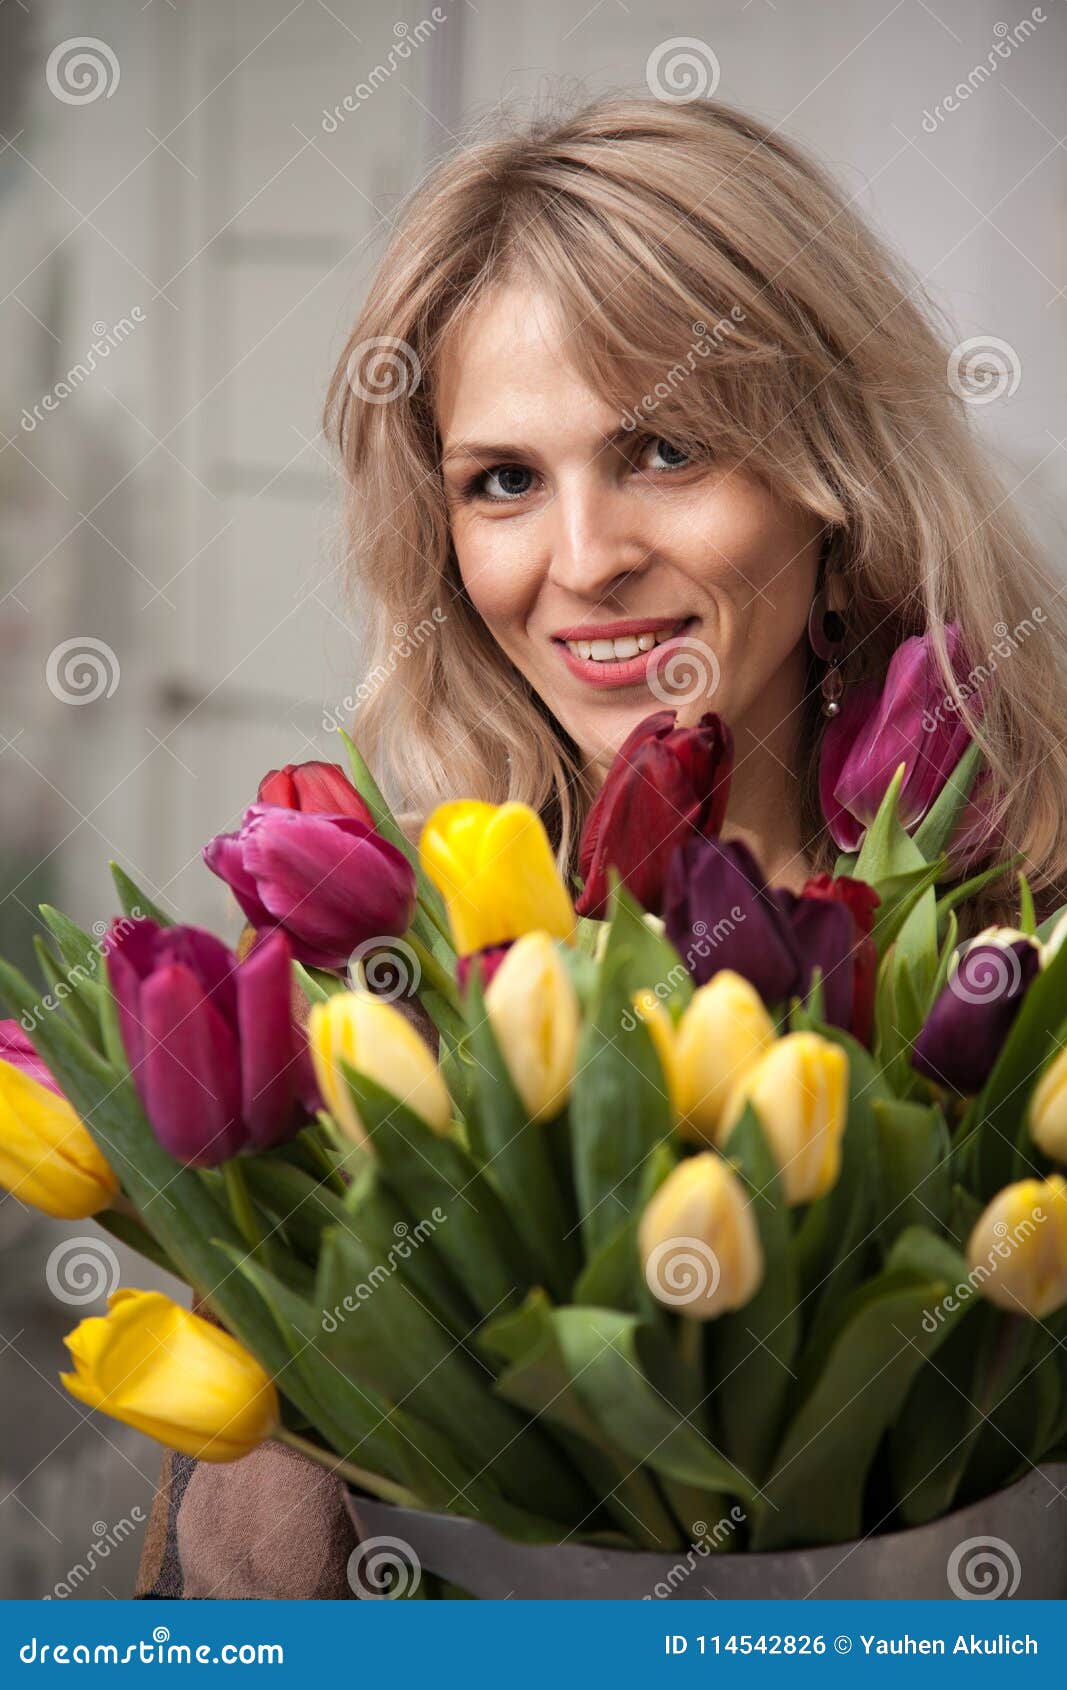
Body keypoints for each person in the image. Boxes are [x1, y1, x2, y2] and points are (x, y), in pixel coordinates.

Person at [135, 93, 1067, 1598]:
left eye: (667, 450)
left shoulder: (1032, 981)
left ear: (838, 481)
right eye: (502, 479)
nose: (582, 561)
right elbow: (226, 1601)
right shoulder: (366, 998)